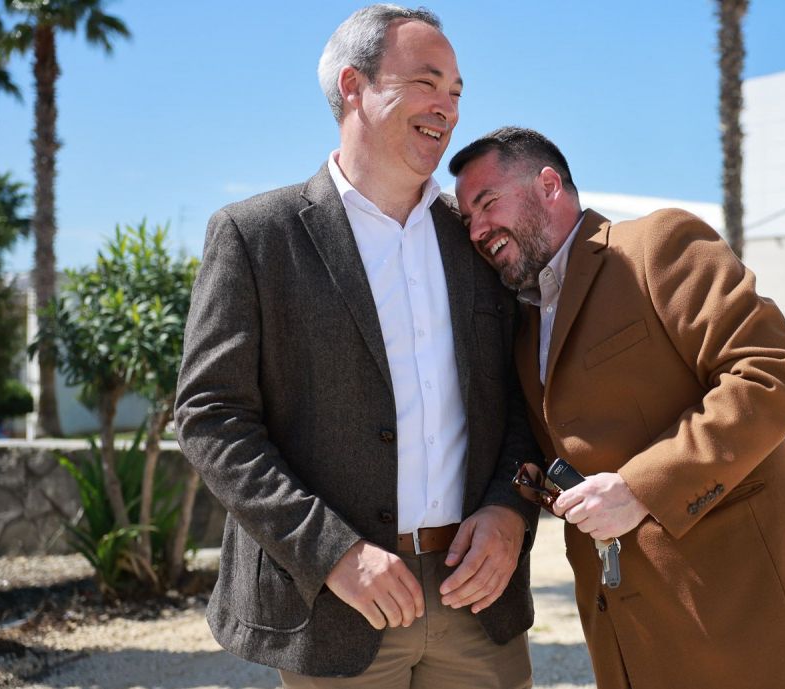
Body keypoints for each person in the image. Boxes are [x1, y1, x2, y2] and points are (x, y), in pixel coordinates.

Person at [449, 126, 785, 689]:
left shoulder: (655, 245)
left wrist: (639, 488)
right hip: (631, 628)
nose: (478, 229)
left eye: (488, 202)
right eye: (468, 219)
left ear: (548, 185)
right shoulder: (523, 323)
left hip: (747, 607)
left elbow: (769, 373)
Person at [174, 7, 540, 688]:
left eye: (456, 91)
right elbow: (211, 415)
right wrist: (333, 554)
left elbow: (523, 393)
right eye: (426, 83)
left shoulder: (478, 238)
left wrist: (510, 510)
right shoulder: (257, 236)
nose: (448, 108)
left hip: (477, 598)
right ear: (353, 86)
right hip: (337, 606)